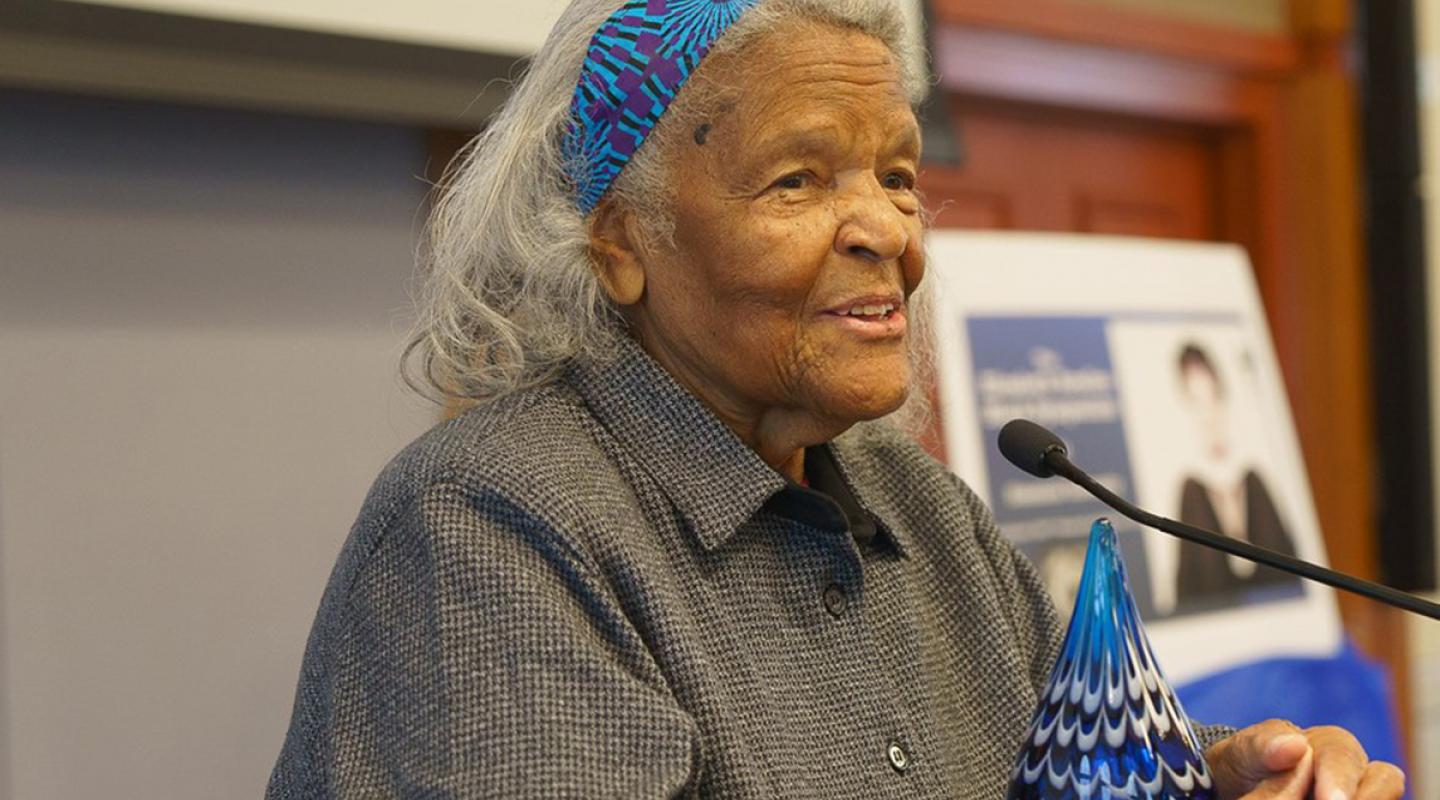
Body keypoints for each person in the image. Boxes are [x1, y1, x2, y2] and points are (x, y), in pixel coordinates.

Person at [266, 0, 1404, 796]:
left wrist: (1231, 771)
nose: (888, 229)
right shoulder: (491, 527)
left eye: (899, 175)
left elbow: (1082, 756)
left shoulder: (927, 509)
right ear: (618, 243)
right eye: (800, 179)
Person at [1174, 343, 1302, 613]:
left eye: (1212, 397)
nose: (1208, 415)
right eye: (1197, 402)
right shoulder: (1191, 494)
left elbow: (1293, 577)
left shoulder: (1255, 480)